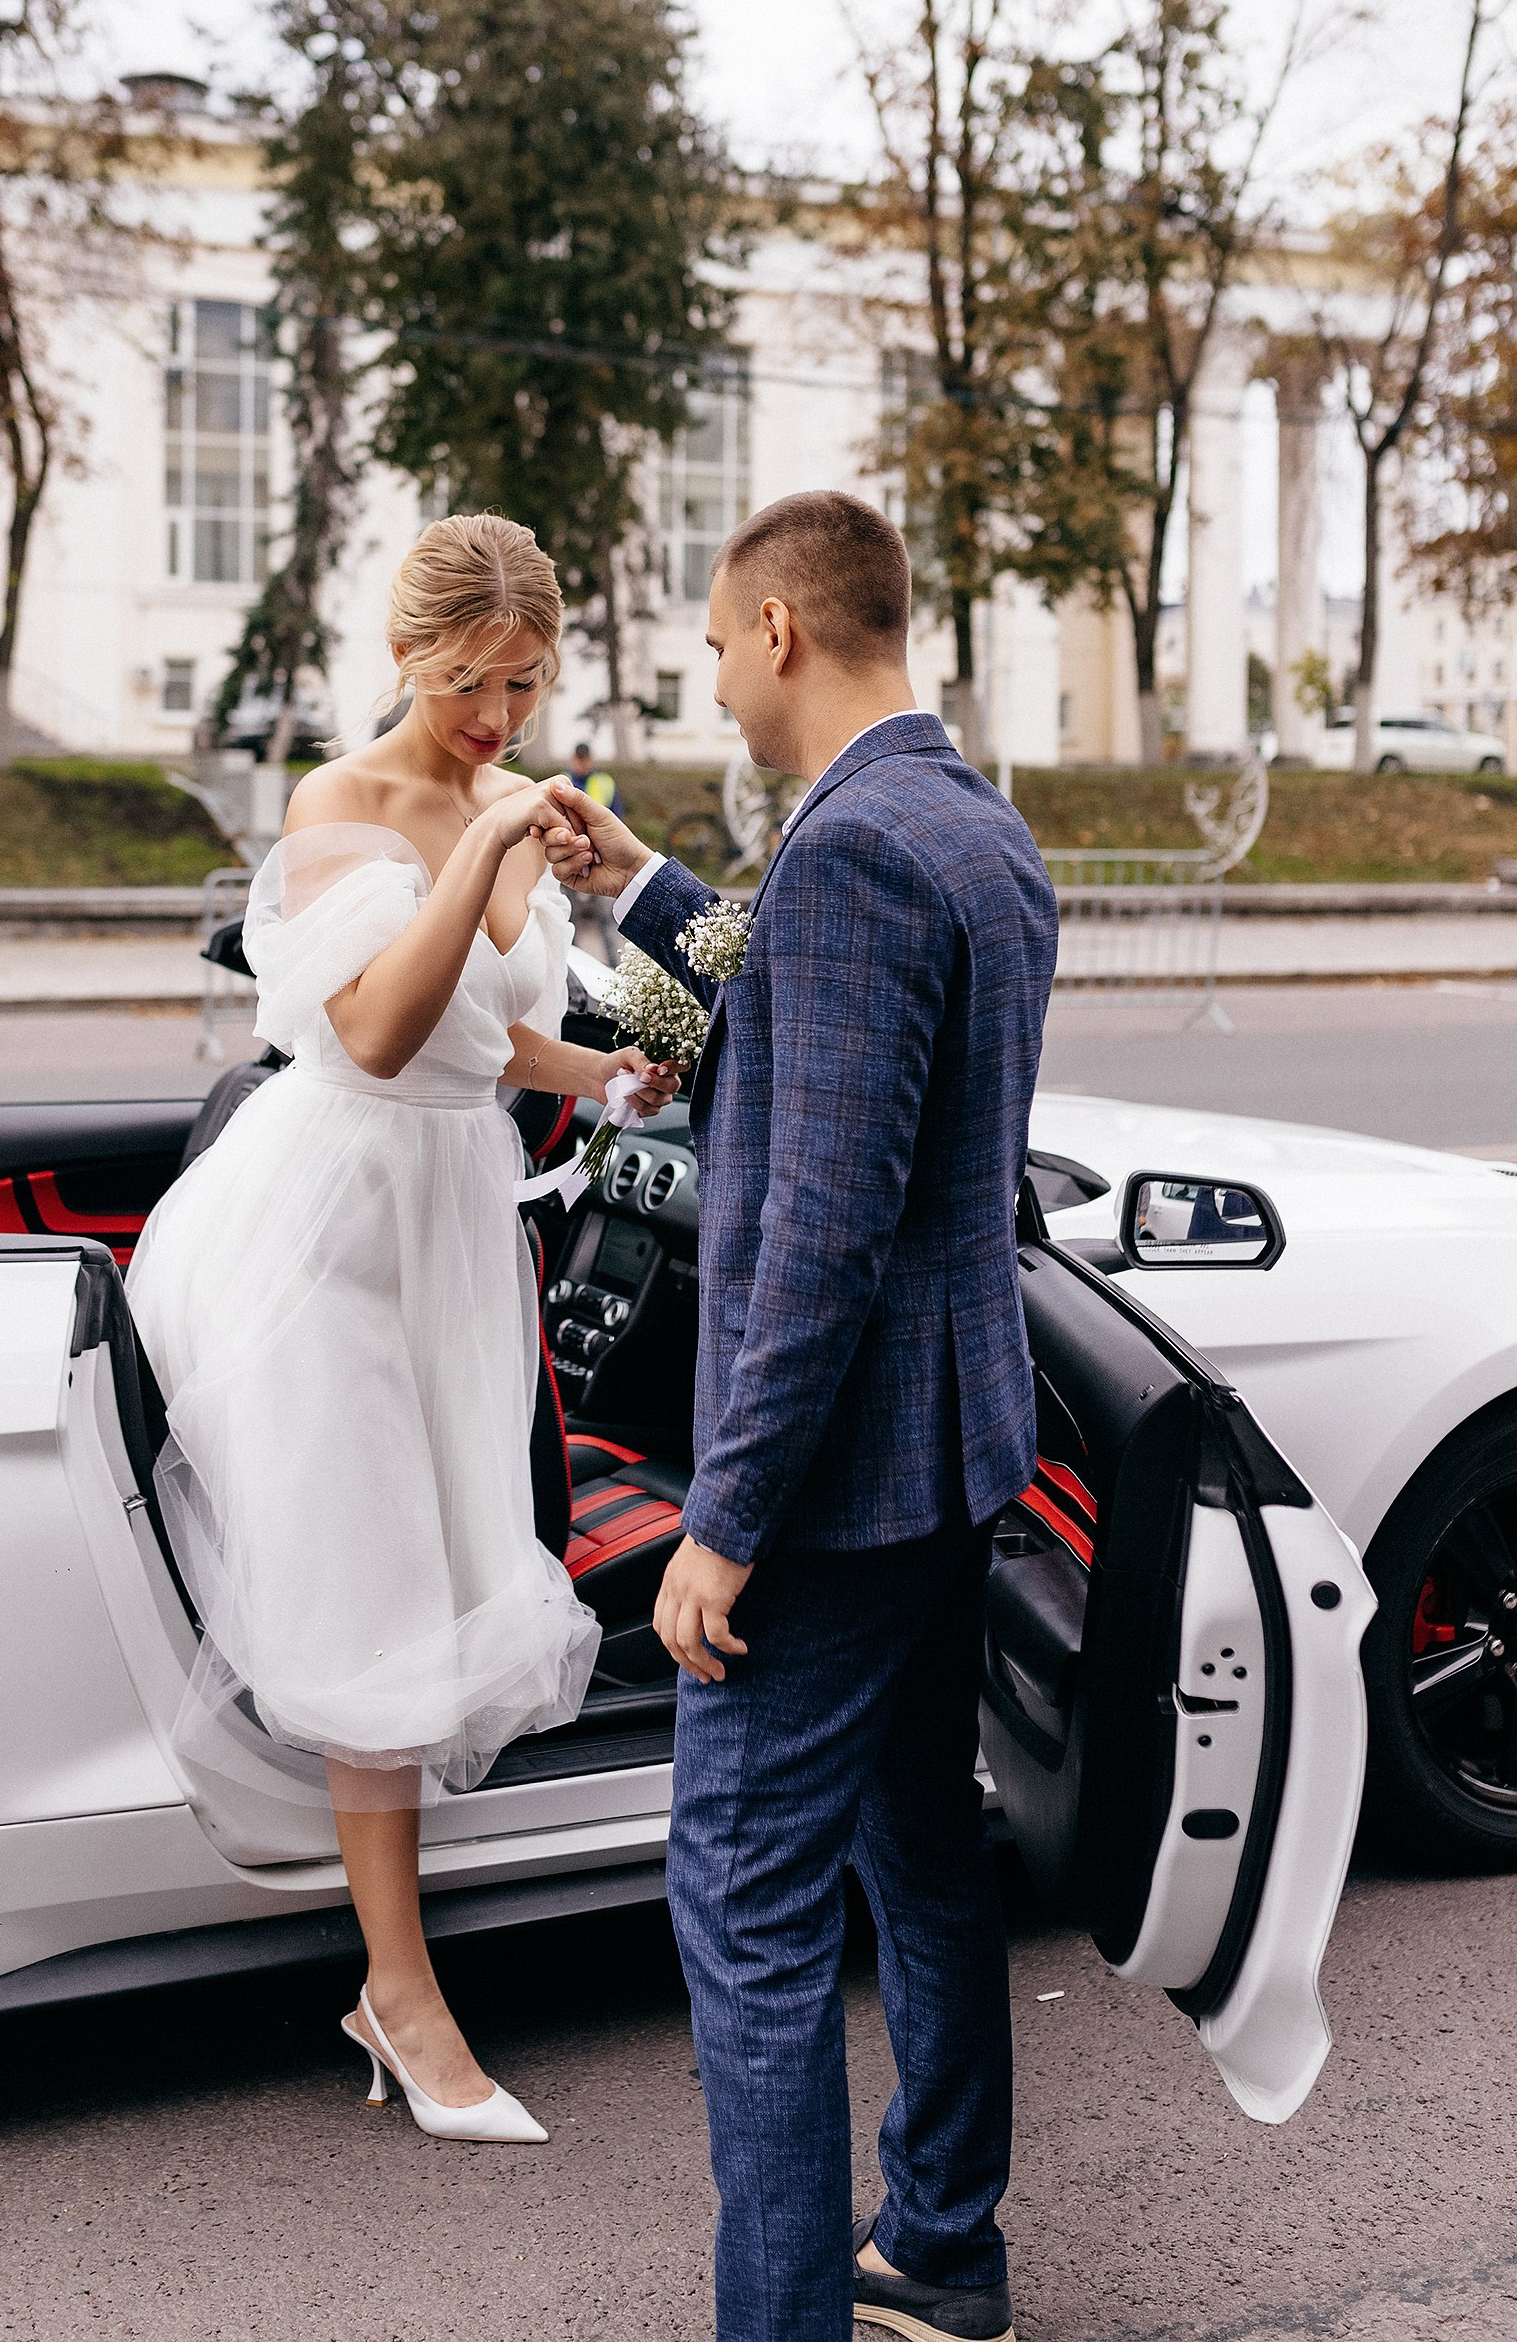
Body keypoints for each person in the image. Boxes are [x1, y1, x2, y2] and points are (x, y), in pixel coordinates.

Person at [539, 491, 1059, 2342]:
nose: (704, 668)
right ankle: (941, 2247)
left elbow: (825, 1226)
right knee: (921, 1845)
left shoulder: (847, 855)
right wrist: (637, 890)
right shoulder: (973, 827)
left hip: (830, 1496)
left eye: (709, 633)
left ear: (777, 630)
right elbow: (806, 1029)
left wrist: (724, 1520)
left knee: (746, 1910)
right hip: (951, 1457)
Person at [127, 513, 676, 2146]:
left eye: (522, 682)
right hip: (330, 1226)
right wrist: (488, 840)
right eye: (467, 682)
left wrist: (620, 1075)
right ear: (405, 657)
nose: (497, 715)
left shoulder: (500, 794)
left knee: (438, 1571)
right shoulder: (340, 806)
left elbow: (493, 1041)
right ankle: (403, 1994)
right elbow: (375, 1032)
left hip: (452, 1220)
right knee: (370, 1597)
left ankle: (401, 1974)